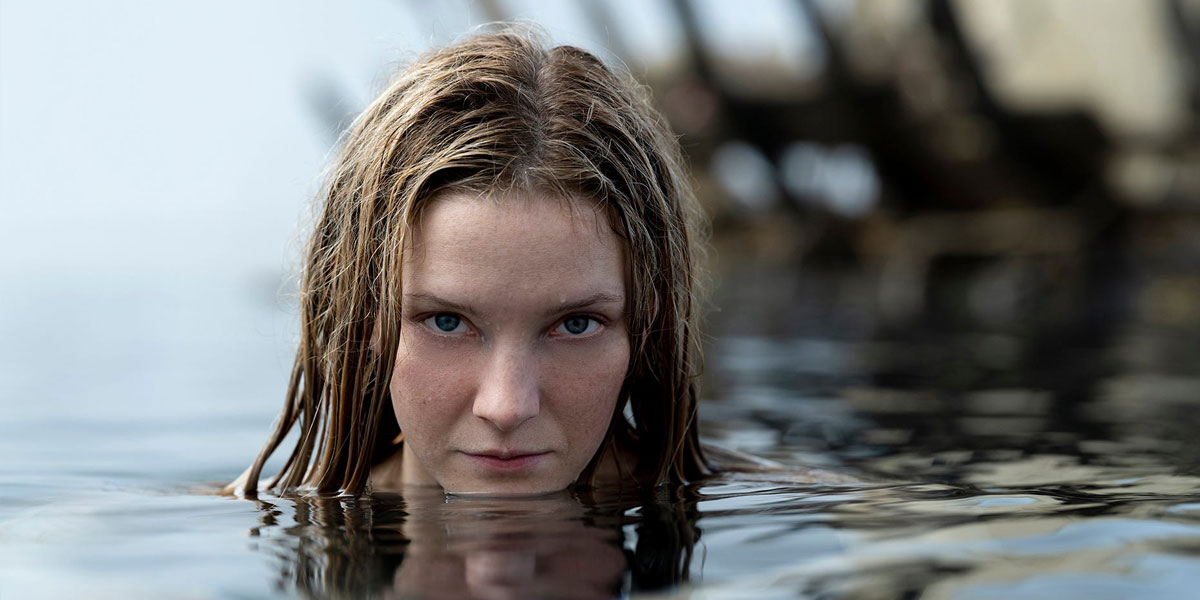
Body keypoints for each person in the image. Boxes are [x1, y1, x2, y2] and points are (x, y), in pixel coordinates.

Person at [227, 26, 712, 497]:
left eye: (578, 324)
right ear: (367, 317)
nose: (506, 408)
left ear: (646, 322)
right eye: (446, 321)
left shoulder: (776, 515)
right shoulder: (238, 525)